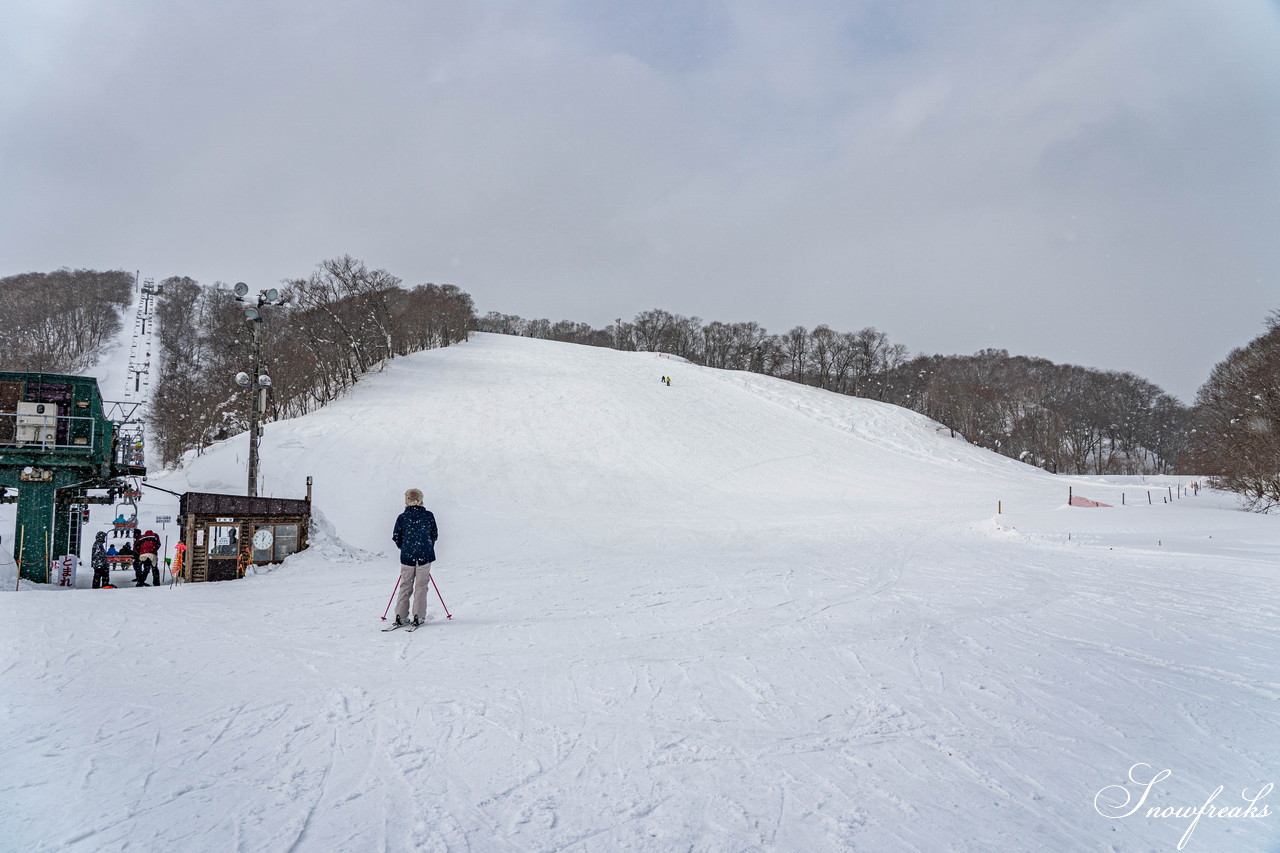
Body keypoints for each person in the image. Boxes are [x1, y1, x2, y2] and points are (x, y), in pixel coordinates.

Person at [391, 488, 438, 627]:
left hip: (407, 557)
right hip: (424, 556)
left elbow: (396, 537)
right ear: (421, 500)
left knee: (405, 585)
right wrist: (426, 546)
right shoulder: (428, 516)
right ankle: (418, 615)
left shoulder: (402, 517)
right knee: (421, 586)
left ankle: (401, 615)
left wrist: (405, 547)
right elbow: (434, 534)